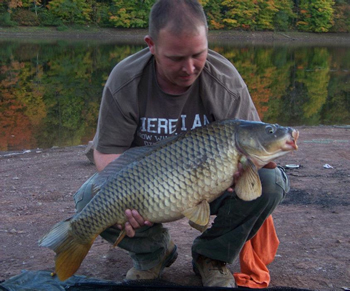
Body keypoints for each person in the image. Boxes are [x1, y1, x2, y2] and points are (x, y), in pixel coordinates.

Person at [78, 0, 290, 287]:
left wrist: (248, 168)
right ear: (151, 45)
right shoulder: (125, 80)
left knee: (271, 182)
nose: (189, 68)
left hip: (212, 184)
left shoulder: (225, 81)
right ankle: (154, 254)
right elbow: (107, 154)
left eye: (198, 54)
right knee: (89, 198)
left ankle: (211, 256)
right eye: (176, 58)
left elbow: (261, 150)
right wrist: (129, 203)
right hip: (148, 189)